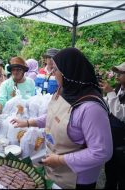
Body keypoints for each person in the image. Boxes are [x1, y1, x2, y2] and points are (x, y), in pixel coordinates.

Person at [11, 48, 113, 189]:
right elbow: (55, 115)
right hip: (56, 170)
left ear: (69, 73)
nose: (52, 72)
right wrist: (28, 122)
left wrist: (60, 160)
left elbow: (101, 152)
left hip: (78, 179)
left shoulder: (91, 108)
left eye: (56, 69)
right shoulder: (64, 90)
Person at [99, 62, 125, 189]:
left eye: (121, 73)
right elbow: (110, 105)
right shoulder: (119, 88)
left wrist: (110, 93)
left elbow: (121, 114)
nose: (118, 75)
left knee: (122, 175)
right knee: (110, 172)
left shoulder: (115, 90)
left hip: (122, 143)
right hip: (113, 139)